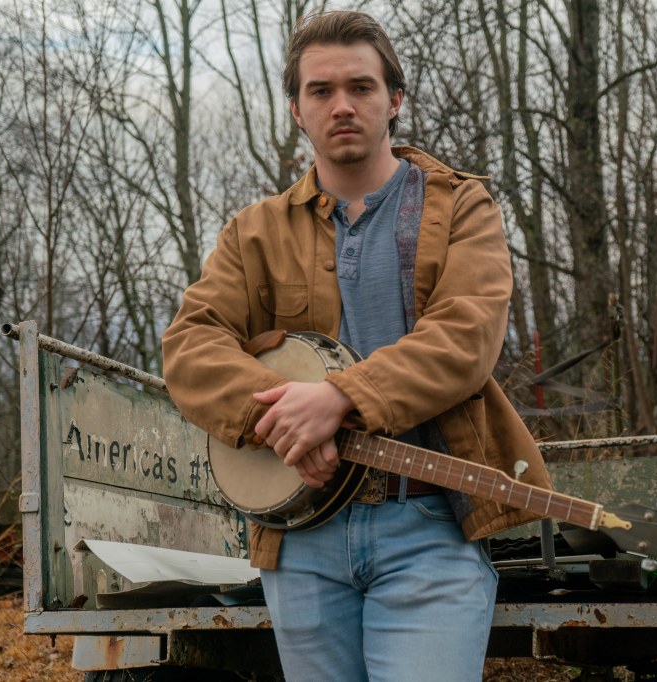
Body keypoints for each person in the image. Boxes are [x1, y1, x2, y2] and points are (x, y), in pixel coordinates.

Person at [162, 10, 552, 681]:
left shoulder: (461, 206)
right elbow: (191, 345)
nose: (341, 105)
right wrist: (282, 415)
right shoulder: (253, 232)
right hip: (300, 540)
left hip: (428, 525)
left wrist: (339, 397)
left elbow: (465, 336)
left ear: (394, 99)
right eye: (320, 90)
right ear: (297, 109)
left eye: (361, 87)